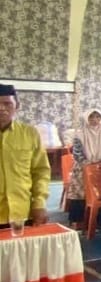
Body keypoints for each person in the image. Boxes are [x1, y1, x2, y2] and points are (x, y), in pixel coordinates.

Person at [0, 84, 51, 230]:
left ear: (17, 106)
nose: (2, 108)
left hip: (22, 213)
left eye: (7, 103)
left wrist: (39, 203)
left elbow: (41, 172)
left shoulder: (30, 134)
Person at [64, 110, 101, 228]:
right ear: (85, 119)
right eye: (91, 117)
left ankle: (98, 222)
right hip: (83, 168)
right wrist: (88, 165)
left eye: (97, 117)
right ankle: (78, 222)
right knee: (80, 194)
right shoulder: (79, 135)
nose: (95, 120)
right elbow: (77, 154)